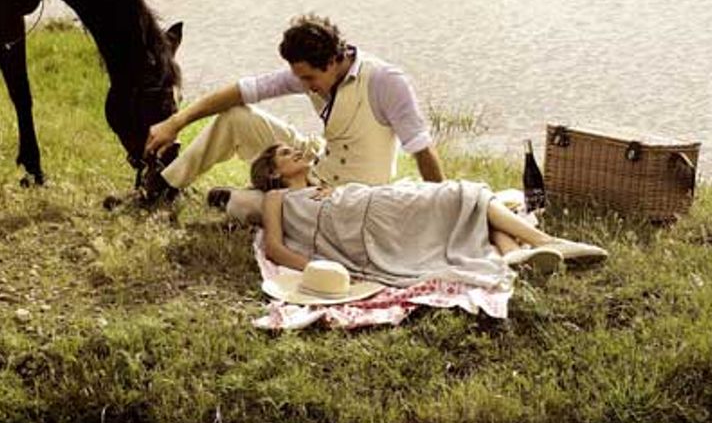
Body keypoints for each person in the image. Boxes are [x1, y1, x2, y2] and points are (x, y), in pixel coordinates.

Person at [143, 14, 443, 211]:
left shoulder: (385, 82)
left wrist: (444, 205)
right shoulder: (308, 72)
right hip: (315, 161)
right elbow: (243, 89)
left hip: (348, 196)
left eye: (309, 79)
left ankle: (241, 198)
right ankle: (163, 188)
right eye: (299, 78)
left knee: (252, 207)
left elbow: (422, 150)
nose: (304, 86)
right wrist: (176, 121)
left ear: (333, 61)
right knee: (236, 117)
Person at [252, 142, 608, 284]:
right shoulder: (277, 198)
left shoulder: (322, 184)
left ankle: (519, 253)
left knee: (467, 200)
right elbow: (275, 249)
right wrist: (323, 268)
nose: (295, 151)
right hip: (371, 224)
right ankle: (545, 244)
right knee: (465, 196)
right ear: (273, 172)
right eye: (285, 153)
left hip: (378, 202)